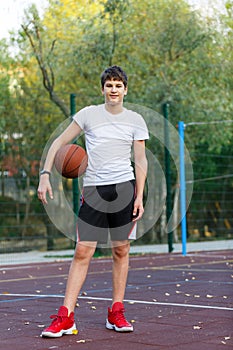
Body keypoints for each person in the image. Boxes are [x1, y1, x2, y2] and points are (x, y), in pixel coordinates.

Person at [37, 65, 149, 337]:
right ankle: (66, 316)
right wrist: (44, 175)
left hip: (124, 189)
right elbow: (57, 143)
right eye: (109, 85)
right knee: (82, 251)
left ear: (125, 90)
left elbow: (141, 159)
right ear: (102, 89)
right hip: (95, 191)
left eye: (118, 85)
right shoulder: (88, 114)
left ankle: (116, 311)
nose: (113, 89)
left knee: (121, 251)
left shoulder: (135, 120)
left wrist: (140, 195)